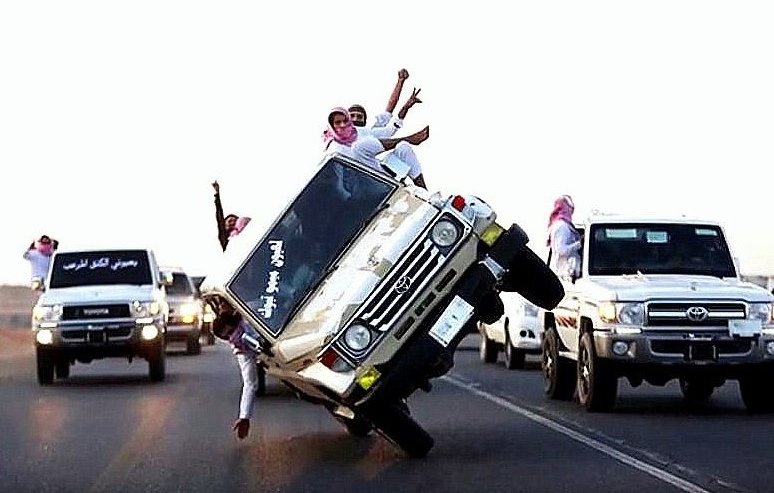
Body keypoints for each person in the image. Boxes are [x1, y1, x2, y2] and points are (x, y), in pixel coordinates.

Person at [323, 107, 430, 188]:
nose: (342, 125)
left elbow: (389, 128)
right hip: (361, 184)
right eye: (337, 123)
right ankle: (410, 139)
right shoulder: (332, 147)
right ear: (332, 126)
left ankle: (424, 193)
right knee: (358, 147)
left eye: (345, 121)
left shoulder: (360, 132)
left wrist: (407, 105)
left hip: (379, 172)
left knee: (403, 147)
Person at [211, 299, 267, 440]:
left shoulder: (251, 308)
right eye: (228, 335)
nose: (233, 336)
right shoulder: (241, 349)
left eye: (232, 331)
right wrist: (244, 416)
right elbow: (250, 384)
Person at [349, 68, 423, 140]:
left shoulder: (369, 133)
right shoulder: (337, 133)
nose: (355, 119)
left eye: (359, 117)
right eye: (352, 116)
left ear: (364, 121)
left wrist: (405, 107)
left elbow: (388, 114)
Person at [547, 195, 582, 280]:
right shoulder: (562, 227)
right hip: (565, 274)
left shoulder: (563, 225)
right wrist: (579, 244)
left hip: (567, 274)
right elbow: (562, 250)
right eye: (569, 207)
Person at [212, 181, 239, 252]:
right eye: (230, 221)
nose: (232, 223)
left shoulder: (240, 234)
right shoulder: (224, 238)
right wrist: (217, 194)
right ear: (224, 223)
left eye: (234, 222)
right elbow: (219, 215)